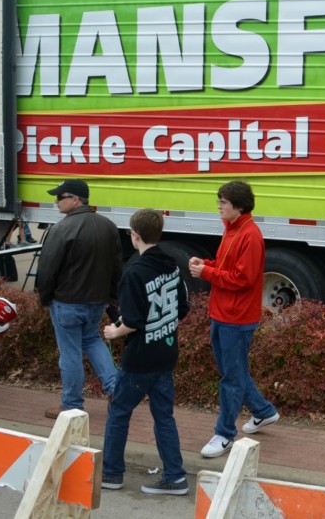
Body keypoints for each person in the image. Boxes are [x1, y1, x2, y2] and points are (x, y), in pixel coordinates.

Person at [101, 209, 190, 495]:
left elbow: (134, 320)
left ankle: (111, 474)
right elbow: (183, 307)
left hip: (140, 359)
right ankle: (175, 476)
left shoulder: (134, 272)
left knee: (119, 411)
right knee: (164, 416)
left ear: (135, 235)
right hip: (166, 353)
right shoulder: (174, 264)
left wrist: (115, 331)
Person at [189, 181, 279, 458]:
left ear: (238, 206)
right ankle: (263, 412)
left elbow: (243, 279)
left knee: (231, 377)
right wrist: (207, 265)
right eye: (219, 201)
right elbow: (229, 268)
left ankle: (225, 434)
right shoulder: (233, 230)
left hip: (236, 318)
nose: (219, 206)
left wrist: (206, 273)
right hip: (224, 314)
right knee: (233, 372)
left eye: (223, 203)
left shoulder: (250, 235)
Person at [37, 179, 121, 418]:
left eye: (60, 197)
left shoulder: (61, 228)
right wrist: (112, 297)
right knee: (92, 340)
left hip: (67, 301)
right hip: (96, 301)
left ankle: (72, 405)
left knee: (70, 352)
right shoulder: (108, 226)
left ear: (75, 199)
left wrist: (45, 298)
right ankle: (116, 390)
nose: (56, 201)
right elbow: (117, 266)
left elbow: (48, 268)